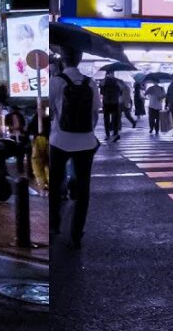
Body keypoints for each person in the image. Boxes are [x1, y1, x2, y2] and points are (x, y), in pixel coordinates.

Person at [48, 46, 100, 249]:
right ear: (79, 59)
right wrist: (88, 131)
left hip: (59, 140)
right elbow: (95, 111)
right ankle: (76, 233)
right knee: (83, 189)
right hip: (86, 141)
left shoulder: (56, 81)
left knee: (55, 182)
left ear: (63, 60)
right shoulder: (91, 83)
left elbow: (52, 108)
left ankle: (54, 224)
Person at [99, 71, 123, 142]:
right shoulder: (117, 81)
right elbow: (120, 91)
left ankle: (108, 134)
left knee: (106, 119)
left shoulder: (104, 82)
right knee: (115, 119)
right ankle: (114, 134)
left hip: (107, 102)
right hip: (114, 102)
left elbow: (101, 92)